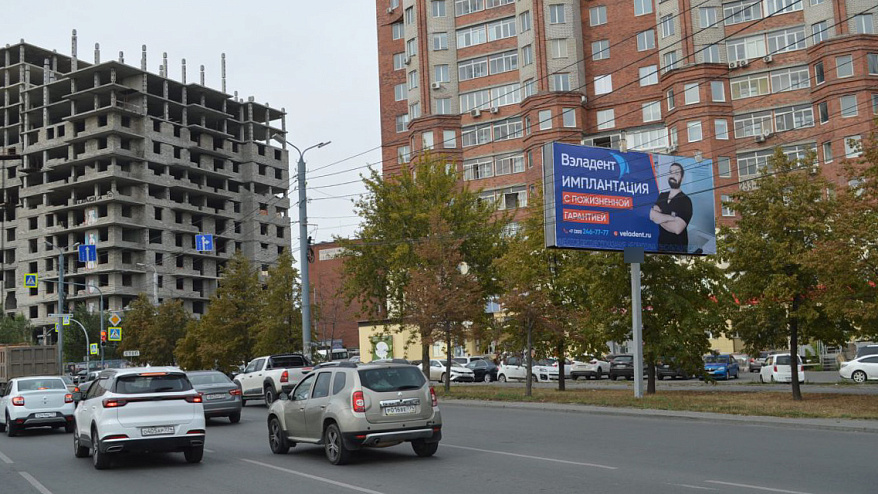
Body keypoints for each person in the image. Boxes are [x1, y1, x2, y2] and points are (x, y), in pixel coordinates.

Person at [649, 162, 692, 252]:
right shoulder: (662, 196)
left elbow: (677, 228)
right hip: (661, 248)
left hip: (678, 252)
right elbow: (652, 215)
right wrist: (671, 218)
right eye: (671, 172)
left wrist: (658, 218)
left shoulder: (686, 201)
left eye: (676, 173)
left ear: (682, 178)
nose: (672, 176)